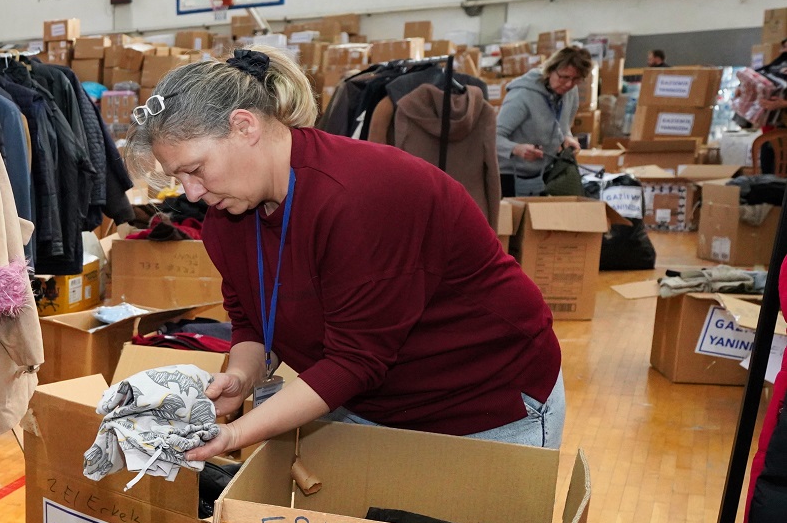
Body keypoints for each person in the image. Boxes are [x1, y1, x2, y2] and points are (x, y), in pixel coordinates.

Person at [133, 48, 564, 460]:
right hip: (372, 404)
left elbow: (355, 359)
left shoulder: (362, 195)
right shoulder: (227, 217)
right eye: (178, 177)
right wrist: (242, 377)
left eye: (195, 169)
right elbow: (251, 317)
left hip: (485, 405)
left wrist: (237, 433)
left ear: (245, 126)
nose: (191, 192)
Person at [497, 45, 590, 197]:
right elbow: (492, 137)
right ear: (550, 71)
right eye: (564, 77)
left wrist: (566, 137)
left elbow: (564, 125)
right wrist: (516, 149)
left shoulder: (570, 92)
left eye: (576, 79)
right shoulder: (522, 96)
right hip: (509, 176)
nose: (568, 84)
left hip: (544, 172)